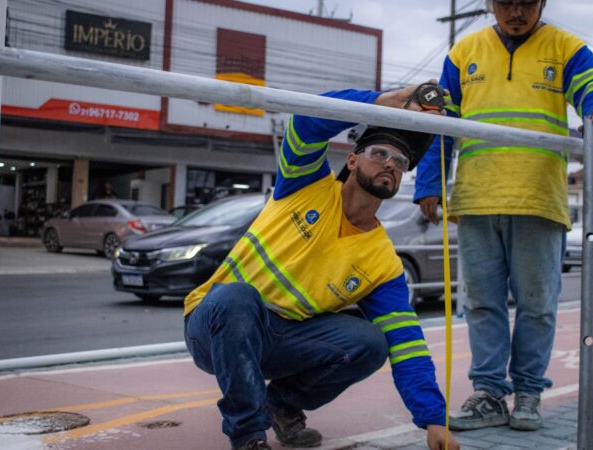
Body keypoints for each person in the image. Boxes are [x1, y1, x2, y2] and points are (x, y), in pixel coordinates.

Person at [183, 84, 460, 450]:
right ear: (352, 160)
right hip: (215, 325)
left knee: (371, 343)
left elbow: (407, 344)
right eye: (379, 153)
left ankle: (282, 405)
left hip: (283, 341)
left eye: (400, 161)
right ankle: (249, 436)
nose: (390, 164)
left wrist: (432, 419)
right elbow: (306, 121)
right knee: (236, 297)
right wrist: (382, 103)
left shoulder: (382, 262)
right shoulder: (304, 183)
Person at [414, 0, 593, 432]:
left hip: (537, 199)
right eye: (505, 1)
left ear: (542, 3)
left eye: (527, 1)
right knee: (482, 304)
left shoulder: (567, 48)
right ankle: (488, 393)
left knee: (537, 306)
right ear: (490, 4)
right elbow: (442, 122)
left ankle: (528, 393)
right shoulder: (464, 52)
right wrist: (429, 182)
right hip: (476, 198)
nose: (516, 11)